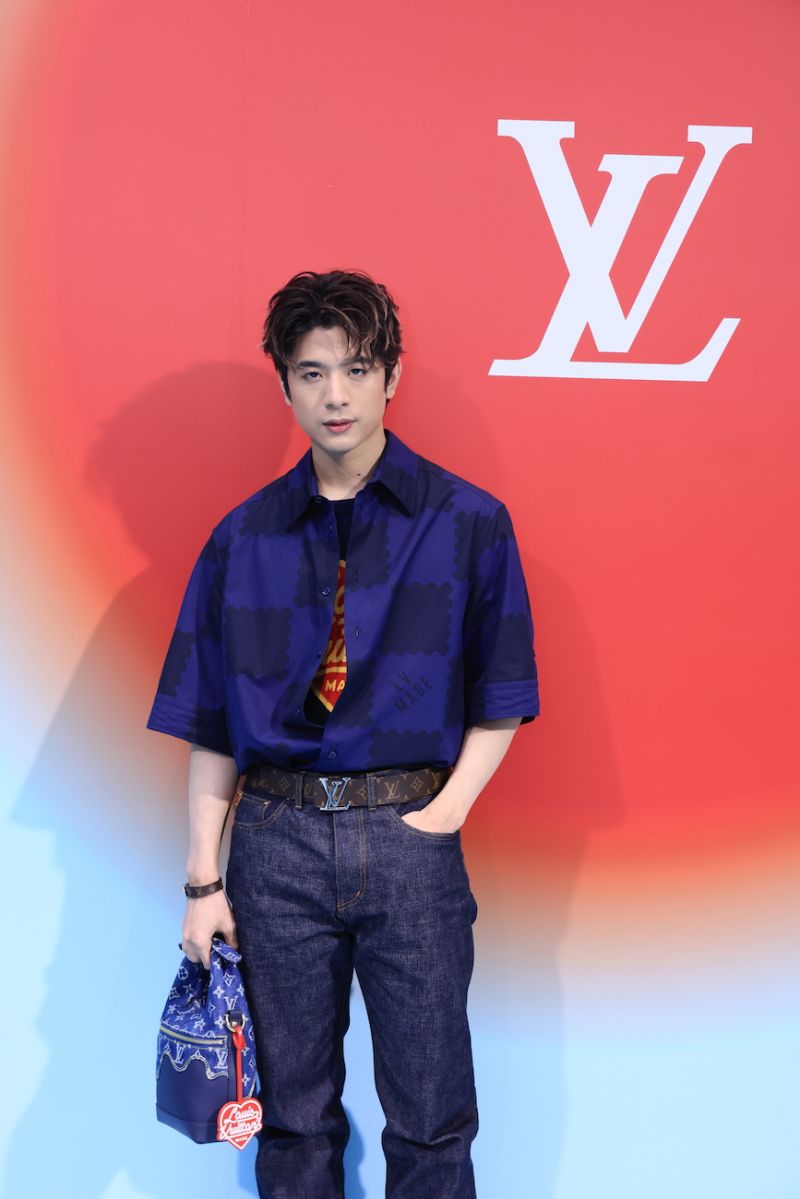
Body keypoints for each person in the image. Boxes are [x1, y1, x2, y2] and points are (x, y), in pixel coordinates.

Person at [146, 268, 540, 1197]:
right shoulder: (241, 538)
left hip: (410, 835)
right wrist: (203, 880)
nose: (335, 395)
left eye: (357, 369)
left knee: (433, 1118)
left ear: (391, 376)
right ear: (284, 382)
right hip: (275, 844)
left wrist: (444, 814)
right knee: (292, 1121)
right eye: (312, 372)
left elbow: (502, 693)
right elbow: (212, 723)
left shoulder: (469, 523)